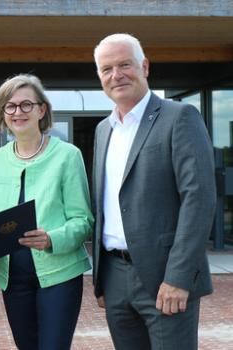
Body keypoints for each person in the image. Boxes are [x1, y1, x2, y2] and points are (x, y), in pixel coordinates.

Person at [91, 33, 217, 349]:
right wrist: (102, 280)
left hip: (165, 278)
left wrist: (178, 276)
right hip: (114, 277)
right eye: (107, 69)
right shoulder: (103, 130)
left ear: (144, 66)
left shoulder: (179, 117)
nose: (116, 75)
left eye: (125, 65)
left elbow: (198, 199)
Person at [0, 74, 93, 349]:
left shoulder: (68, 155)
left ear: (42, 109)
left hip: (60, 273)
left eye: (26, 104)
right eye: (10, 106)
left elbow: (83, 220)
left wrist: (52, 238)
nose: (18, 112)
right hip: (12, 278)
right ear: (3, 114)